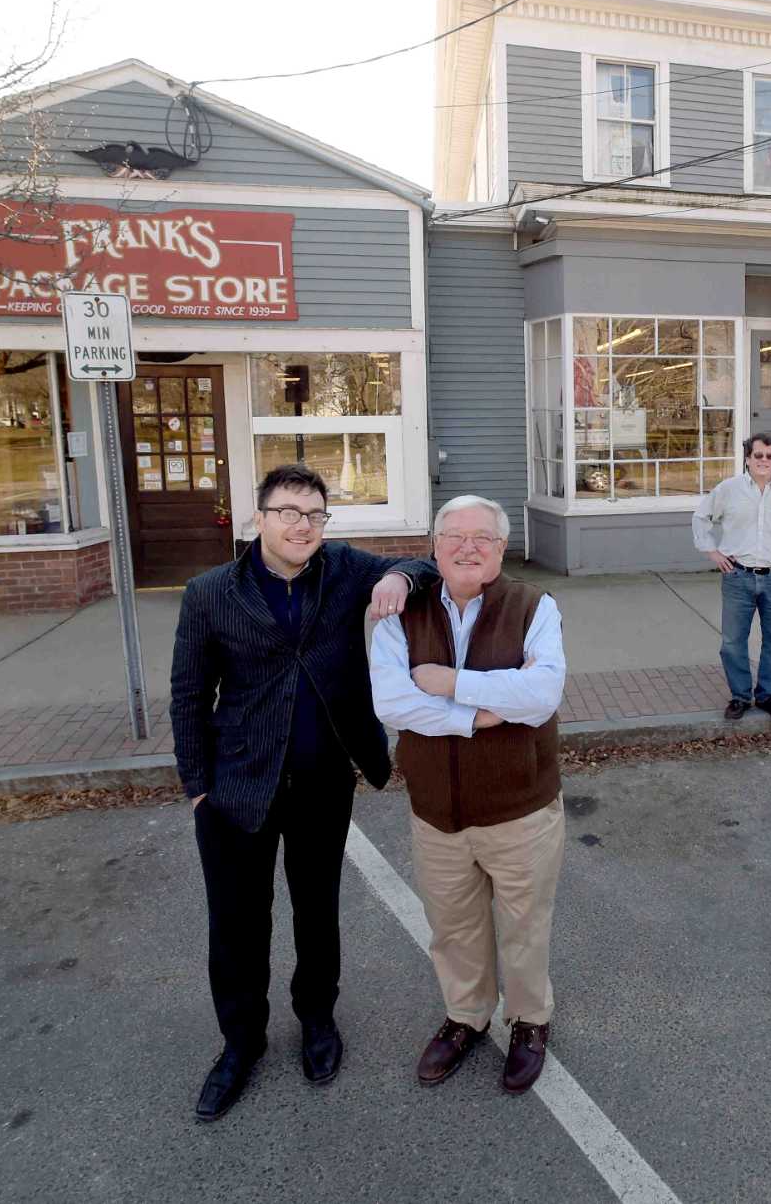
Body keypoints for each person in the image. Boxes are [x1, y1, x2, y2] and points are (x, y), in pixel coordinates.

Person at [170, 462, 435, 1123]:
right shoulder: (210, 592)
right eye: (288, 512)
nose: (302, 525)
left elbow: (421, 565)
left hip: (322, 783)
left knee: (317, 912)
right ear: (259, 518)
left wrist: (400, 578)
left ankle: (317, 1017)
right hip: (236, 786)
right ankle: (241, 1042)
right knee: (237, 925)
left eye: (315, 514)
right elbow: (188, 694)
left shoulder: (342, 569)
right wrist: (198, 788)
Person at [369, 495, 568, 1096]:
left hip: (520, 810)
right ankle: (466, 1016)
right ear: (433, 547)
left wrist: (451, 683)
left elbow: (541, 695)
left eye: (483, 537)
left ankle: (529, 1021)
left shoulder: (534, 606)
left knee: (524, 927)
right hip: (437, 814)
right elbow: (392, 703)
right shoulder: (401, 614)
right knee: (452, 927)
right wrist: (479, 715)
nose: (468, 547)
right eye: (454, 535)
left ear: (502, 549)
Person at [692, 433, 771, 722]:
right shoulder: (728, 490)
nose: (764, 460)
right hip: (738, 577)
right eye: (758, 455)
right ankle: (740, 697)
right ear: (748, 458)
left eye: (769, 456)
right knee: (732, 643)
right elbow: (701, 518)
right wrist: (713, 552)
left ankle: (768, 696)